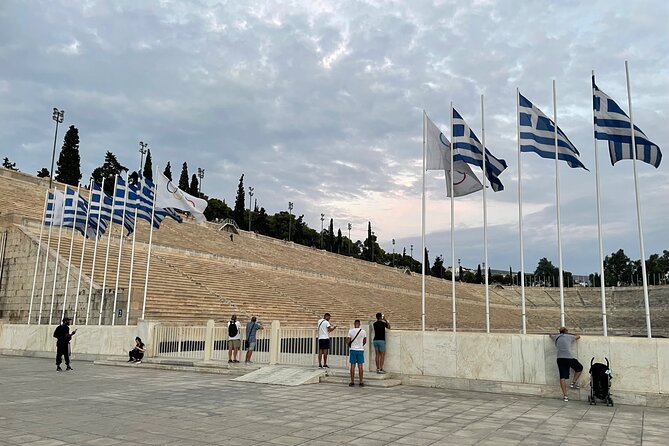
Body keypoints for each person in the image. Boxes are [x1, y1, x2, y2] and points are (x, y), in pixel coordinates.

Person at [549, 327, 583, 402]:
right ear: (566, 331)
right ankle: (573, 382)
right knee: (579, 368)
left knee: (562, 376)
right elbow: (578, 336)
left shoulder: (556, 337)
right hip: (568, 357)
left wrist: (558, 334)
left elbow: (550, 335)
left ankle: (565, 396)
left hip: (559, 358)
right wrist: (569, 334)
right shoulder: (569, 337)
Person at [346, 320, 367, 387]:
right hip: (360, 350)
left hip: (353, 350)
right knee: (360, 366)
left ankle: (352, 381)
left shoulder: (351, 331)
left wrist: (347, 341)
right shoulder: (363, 331)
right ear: (359, 324)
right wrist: (360, 345)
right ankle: (361, 381)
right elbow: (365, 341)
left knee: (352, 366)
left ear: (354, 324)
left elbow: (348, 341)